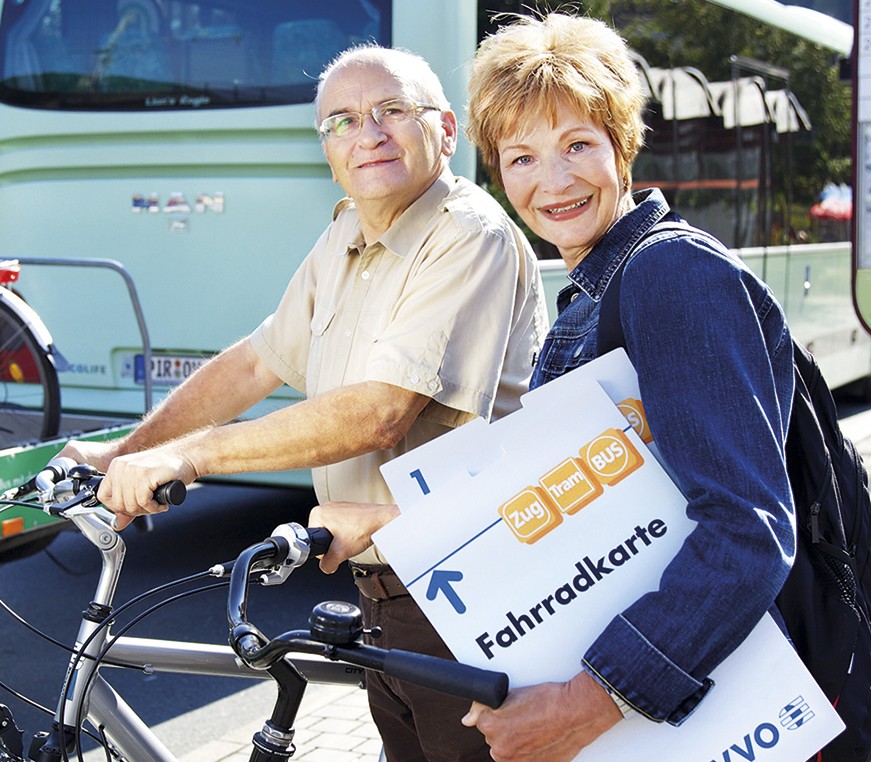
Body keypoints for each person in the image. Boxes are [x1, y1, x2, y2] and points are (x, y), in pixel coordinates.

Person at [61, 44, 547, 762]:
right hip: (380, 586)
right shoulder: (348, 231)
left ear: (444, 129)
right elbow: (258, 359)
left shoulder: (467, 235)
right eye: (342, 122)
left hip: (460, 585)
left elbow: (378, 412)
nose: (368, 134)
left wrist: (191, 456)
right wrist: (126, 453)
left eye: (391, 111)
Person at [458, 13, 797, 761]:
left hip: (693, 711)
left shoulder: (668, 275)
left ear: (622, 143)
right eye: (521, 157)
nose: (553, 181)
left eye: (577, 144)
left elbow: (748, 531)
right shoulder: (595, 286)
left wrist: (592, 702)